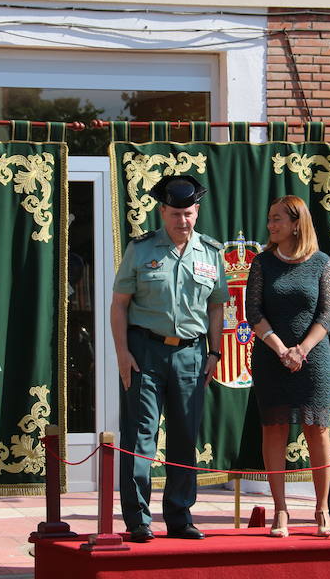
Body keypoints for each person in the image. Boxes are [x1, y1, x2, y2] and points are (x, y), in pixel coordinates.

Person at [109, 174, 228, 543]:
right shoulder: (141, 249)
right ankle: (138, 519)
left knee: (183, 436)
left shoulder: (211, 252)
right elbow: (119, 306)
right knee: (141, 437)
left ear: (197, 212)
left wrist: (214, 351)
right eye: (176, 214)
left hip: (192, 354)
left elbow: (216, 308)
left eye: (189, 213)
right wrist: (122, 353)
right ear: (162, 212)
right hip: (145, 351)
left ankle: (179, 516)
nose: (183, 221)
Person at [245, 195, 330, 538]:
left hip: (314, 360)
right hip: (271, 358)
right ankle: (280, 510)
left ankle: (322, 509)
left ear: (297, 223)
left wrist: (302, 350)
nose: (270, 225)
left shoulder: (321, 262)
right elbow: (253, 312)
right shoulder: (262, 262)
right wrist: (282, 350)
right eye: (270, 219)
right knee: (274, 429)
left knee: (317, 430)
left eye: (277, 219)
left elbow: (327, 314)